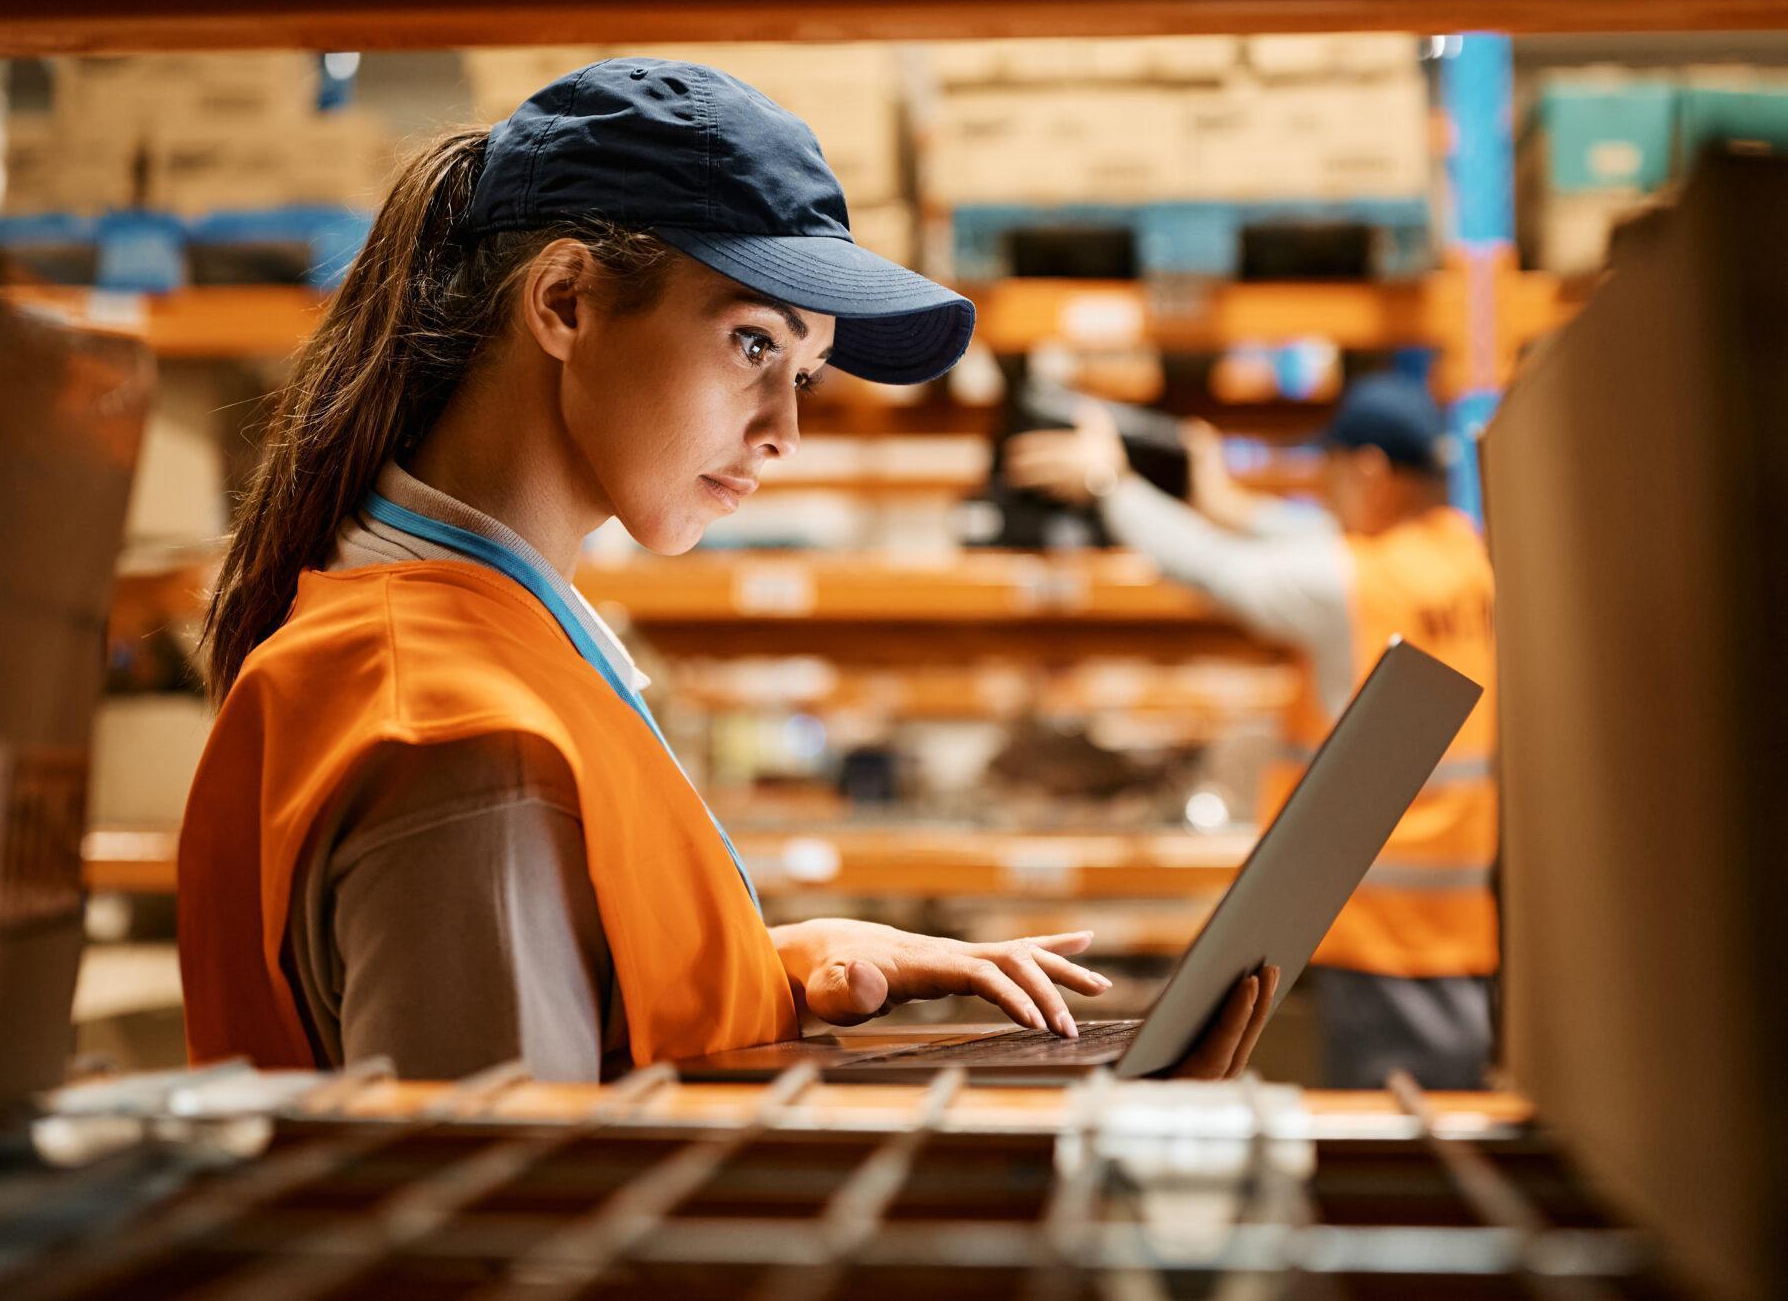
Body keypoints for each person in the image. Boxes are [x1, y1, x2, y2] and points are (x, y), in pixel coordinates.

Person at [178, 60, 1278, 1083]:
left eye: (805, 371)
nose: (785, 431)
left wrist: (772, 967)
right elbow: (500, 1227)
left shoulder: (486, 654)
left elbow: (574, 1050)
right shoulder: (458, 733)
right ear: (565, 304)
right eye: (756, 344)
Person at [1006, 373, 1496, 1089]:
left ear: (1369, 471)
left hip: (1380, 919)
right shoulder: (1461, 552)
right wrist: (1224, 498)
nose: (1322, 493)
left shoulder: (1355, 582)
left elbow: (1219, 569)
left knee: (1388, 1145)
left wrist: (1111, 485)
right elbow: (1312, 537)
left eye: (1330, 473)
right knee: (1437, 1130)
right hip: (1449, 916)